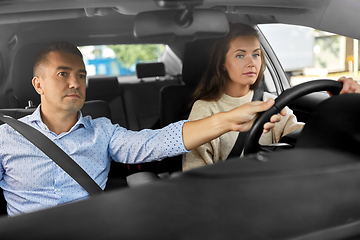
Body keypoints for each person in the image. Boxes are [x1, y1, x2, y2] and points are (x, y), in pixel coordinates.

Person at [0, 41, 284, 216]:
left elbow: (156, 142)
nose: (75, 83)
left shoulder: (102, 131)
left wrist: (228, 119)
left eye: (81, 75)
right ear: (38, 84)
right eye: (63, 73)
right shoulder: (6, 136)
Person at [183, 22, 360, 171]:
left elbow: (304, 140)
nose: (251, 62)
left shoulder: (271, 102)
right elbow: (194, 174)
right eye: (240, 55)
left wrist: (337, 107)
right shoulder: (205, 108)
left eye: (256, 54)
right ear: (222, 63)